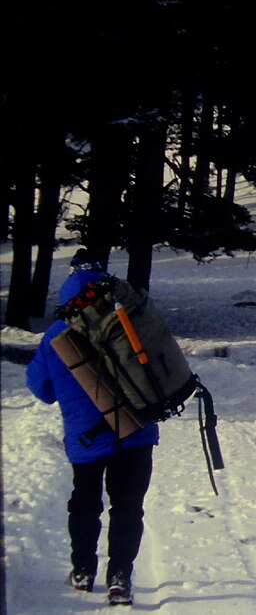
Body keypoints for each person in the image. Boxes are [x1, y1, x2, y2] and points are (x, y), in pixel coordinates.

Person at [26, 249, 159, 607]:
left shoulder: (56, 334)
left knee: (85, 503)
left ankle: (83, 570)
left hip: (86, 440)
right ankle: (119, 579)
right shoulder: (128, 319)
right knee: (128, 506)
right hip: (136, 432)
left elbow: (41, 390)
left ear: (69, 286)